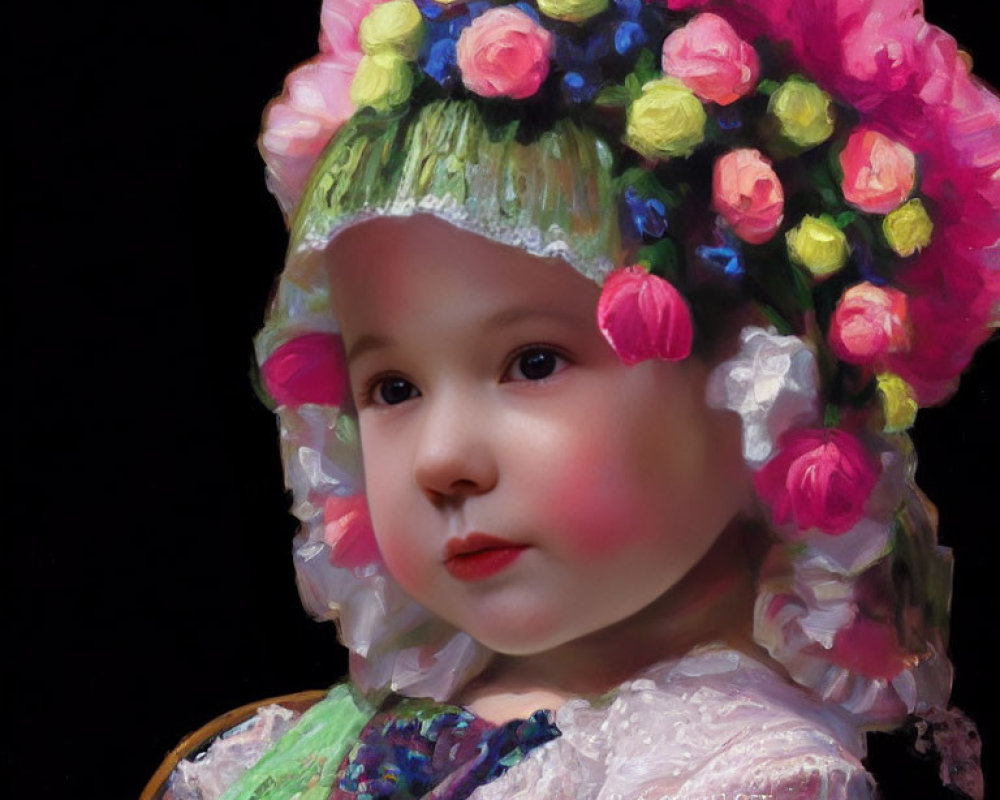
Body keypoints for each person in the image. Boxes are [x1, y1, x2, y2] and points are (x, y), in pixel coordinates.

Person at [149, 0, 998, 798]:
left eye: (534, 363)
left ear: (764, 394)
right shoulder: (300, 743)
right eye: (393, 388)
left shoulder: (738, 772)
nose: (443, 461)